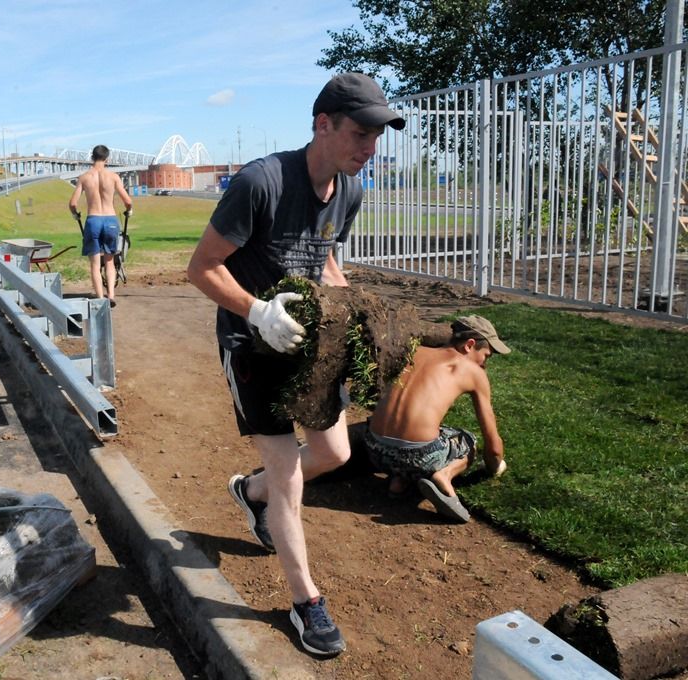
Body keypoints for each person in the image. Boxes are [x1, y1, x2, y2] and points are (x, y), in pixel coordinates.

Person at [186, 72, 405, 656]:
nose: (370, 149)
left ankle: (249, 492)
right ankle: (306, 602)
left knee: (333, 452)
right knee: (289, 477)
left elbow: (325, 259)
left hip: (311, 347)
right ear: (322, 125)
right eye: (361, 134)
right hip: (251, 344)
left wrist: (352, 307)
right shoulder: (262, 182)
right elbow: (202, 266)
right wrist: (258, 312)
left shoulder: (350, 191)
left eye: (377, 138)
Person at [365, 315, 511, 523]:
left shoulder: (414, 351)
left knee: (415, 430)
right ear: (470, 345)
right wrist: (495, 466)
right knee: (467, 440)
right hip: (418, 456)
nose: (485, 365)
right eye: (486, 356)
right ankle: (444, 475)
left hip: (374, 447)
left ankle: (399, 481)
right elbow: (493, 445)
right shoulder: (473, 372)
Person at [69, 144, 133, 308]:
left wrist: (75, 214)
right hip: (110, 220)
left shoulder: (84, 177)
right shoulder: (113, 177)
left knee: (95, 264)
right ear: (107, 159)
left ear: (92, 158)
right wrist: (129, 211)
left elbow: (73, 203)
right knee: (110, 261)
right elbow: (128, 201)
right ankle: (111, 295)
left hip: (93, 220)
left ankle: (99, 298)